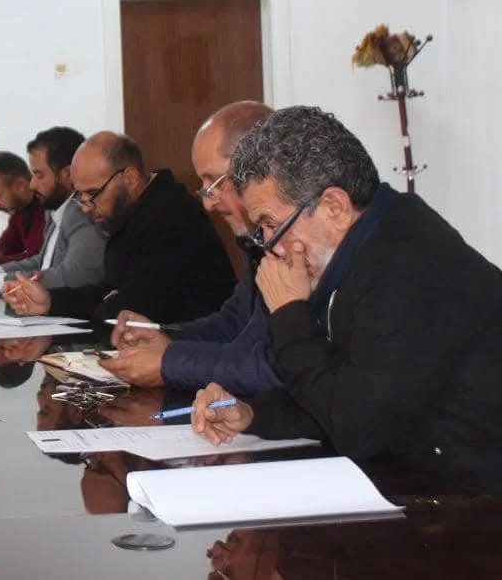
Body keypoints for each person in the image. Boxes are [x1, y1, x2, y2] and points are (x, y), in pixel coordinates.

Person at [190, 106, 502, 497]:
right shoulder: (366, 246)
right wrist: (252, 413)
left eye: (271, 224)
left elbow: (356, 428)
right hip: (431, 484)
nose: (270, 246)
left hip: (478, 502)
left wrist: (288, 313)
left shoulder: (408, 264)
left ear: (334, 207)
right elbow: (338, 392)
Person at [103, 102, 281, 395]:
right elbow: (232, 323)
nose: (208, 203)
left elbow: (268, 364)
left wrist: (169, 362)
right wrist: (163, 336)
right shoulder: (260, 241)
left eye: (215, 183)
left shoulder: (298, 243)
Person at [4, 132, 234, 323]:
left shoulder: (171, 218)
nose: (85, 207)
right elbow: (109, 292)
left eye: (93, 193)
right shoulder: (131, 213)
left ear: (130, 178)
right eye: (80, 195)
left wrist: (106, 303)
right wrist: (50, 301)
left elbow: (130, 309)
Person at [0, 127, 104, 296]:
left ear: (68, 174)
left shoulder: (82, 213)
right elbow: (40, 261)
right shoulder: (48, 210)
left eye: (39, 175)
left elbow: (70, 276)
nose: (32, 184)